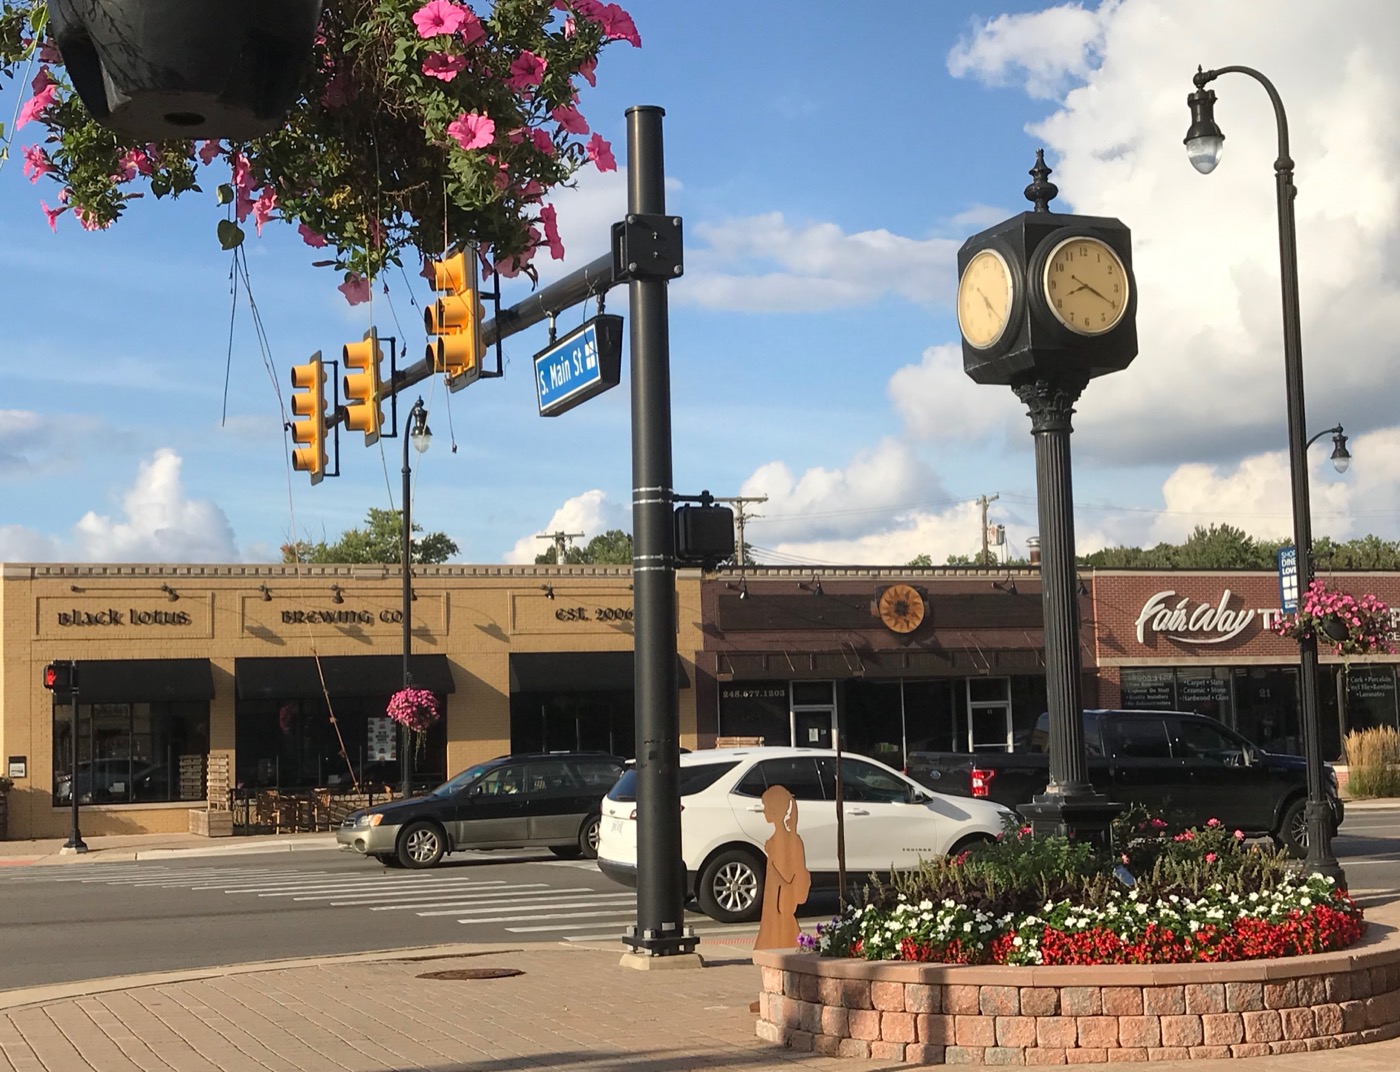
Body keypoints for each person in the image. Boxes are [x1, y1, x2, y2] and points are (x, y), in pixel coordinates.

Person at [753, 784, 811, 949]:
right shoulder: (774, 842)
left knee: (784, 929)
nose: (763, 811)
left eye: (766, 808)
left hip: (782, 902)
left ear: (774, 810)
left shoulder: (790, 841)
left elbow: (795, 873)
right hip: (774, 903)